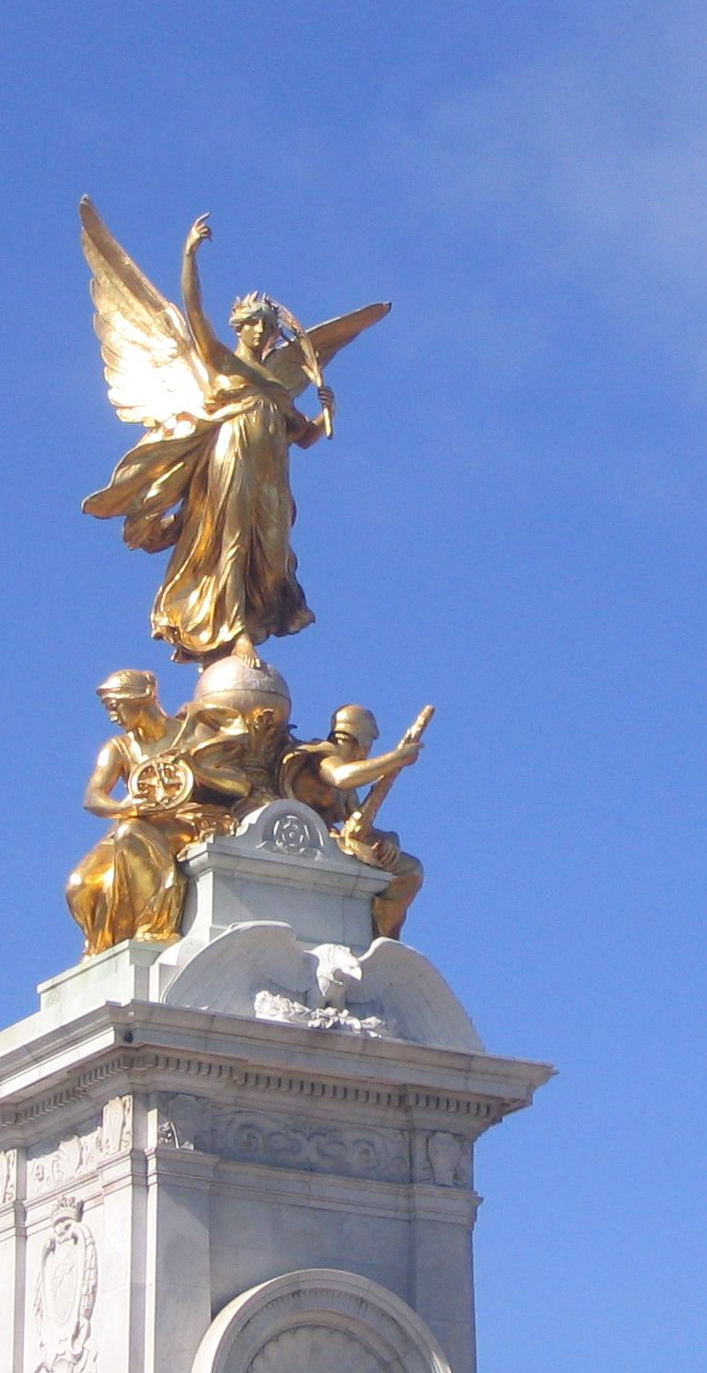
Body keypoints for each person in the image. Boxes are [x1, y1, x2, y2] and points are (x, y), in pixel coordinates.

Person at [80, 202, 388, 664]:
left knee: (271, 550)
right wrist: (190, 257)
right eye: (254, 323)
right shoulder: (223, 363)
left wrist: (326, 413)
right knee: (233, 536)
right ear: (239, 327)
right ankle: (237, 629)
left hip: (271, 466)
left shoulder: (279, 384)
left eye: (268, 325)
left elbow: (303, 437)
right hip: (232, 451)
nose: (262, 331)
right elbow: (194, 313)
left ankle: (256, 616)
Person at [65, 669, 232, 955]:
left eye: (116, 706)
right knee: (79, 886)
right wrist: (123, 807)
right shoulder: (119, 747)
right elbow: (93, 797)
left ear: (141, 699)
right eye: (109, 708)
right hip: (135, 818)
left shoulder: (192, 733)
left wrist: (197, 769)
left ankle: (156, 929)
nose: (113, 716)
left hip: (186, 819)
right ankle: (102, 950)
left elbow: (239, 784)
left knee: (132, 834)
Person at [280, 705, 425, 940]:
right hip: (293, 837)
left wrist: (390, 841)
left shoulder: (346, 793)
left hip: (326, 844)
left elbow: (359, 828)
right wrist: (397, 758)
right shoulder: (321, 754)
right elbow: (342, 777)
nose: (363, 756)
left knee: (410, 870)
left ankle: (382, 938)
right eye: (364, 748)